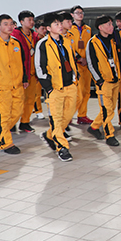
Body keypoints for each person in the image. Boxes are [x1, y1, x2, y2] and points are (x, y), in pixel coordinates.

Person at [35, 13, 78, 162]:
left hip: (70, 85)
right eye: (56, 24)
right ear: (48, 28)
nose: (60, 26)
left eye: (60, 23)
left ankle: (49, 135)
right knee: (57, 119)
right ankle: (62, 147)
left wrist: (74, 78)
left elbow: (71, 61)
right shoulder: (43, 44)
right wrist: (49, 87)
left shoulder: (66, 41)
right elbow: (39, 67)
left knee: (68, 116)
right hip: (54, 88)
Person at [0, 14, 28, 155]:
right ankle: (6, 143)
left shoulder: (16, 43)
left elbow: (22, 62)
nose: (9, 27)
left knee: (17, 112)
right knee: (3, 116)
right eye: (5, 24)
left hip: (17, 85)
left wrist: (24, 78)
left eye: (11, 24)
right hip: (1, 87)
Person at [86, 15, 121, 147]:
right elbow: (91, 63)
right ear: (100, 27)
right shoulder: (93, 42)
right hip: (104, 82)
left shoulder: (112, 40)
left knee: (110, 109)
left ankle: (94, 127)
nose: (112, 27)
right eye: (109, 24)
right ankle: (109, 135)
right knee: (106, 110)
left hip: (115, 79)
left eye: (112, 24)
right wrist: (99, 80)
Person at [11, 10, 40, 133]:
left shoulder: (35, 35)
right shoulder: (15, 35)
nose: (32, 22)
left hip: (32, 73)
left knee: (30, 99)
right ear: (21, 22)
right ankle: (12, 123)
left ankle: (25, 122)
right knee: (17, 100)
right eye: (29, 20)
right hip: (20, 74)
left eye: (33, 20)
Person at [68, 6, 93, 125]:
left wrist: (87, 58)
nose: (80, 15)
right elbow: (69, 47)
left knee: (87, 91)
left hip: (86, 64)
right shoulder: (69, 29)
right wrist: (78, 58)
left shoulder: (87, 29)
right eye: (77, 13)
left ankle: (82, 115)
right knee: (79, 93)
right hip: (76, 64)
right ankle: (68, 116)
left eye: (81, 12)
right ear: (72, 15)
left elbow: (89, 45)